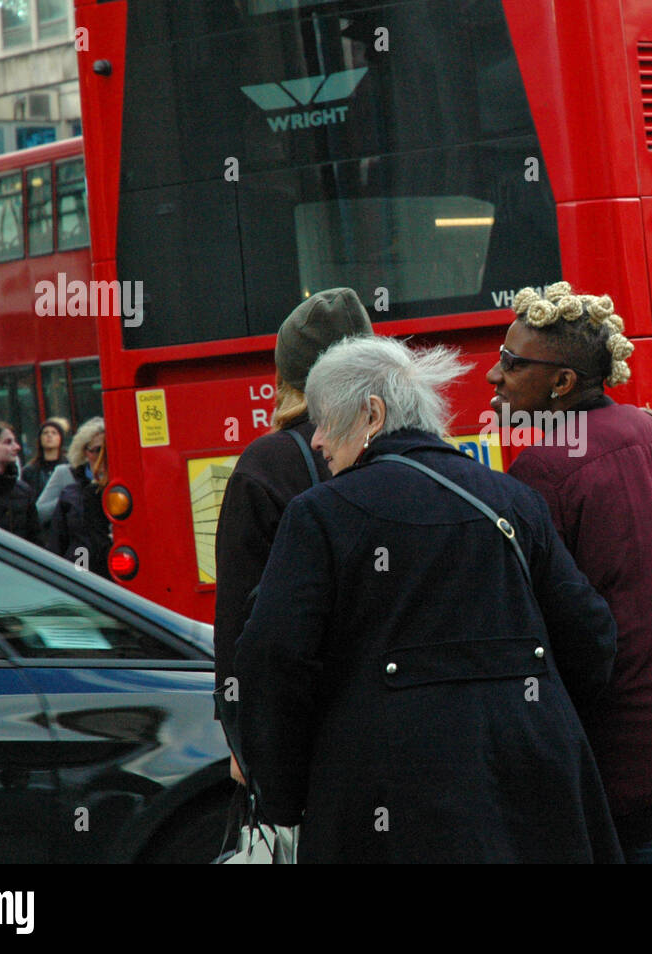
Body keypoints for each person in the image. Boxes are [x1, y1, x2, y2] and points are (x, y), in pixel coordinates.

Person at [235, 336, 621, 863]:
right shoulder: (513, 499)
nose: (319, 440)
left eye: (324, 419)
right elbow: (592, 634)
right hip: (534, 789)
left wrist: (282, 794)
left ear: (372, 414)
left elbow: (273, 659)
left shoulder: (319, 516)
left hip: (388, 802)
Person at [490, 281, 652, 864]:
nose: (494, 377)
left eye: (512, 363)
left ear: (562, 382)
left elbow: (546, 622)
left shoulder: (544, 469)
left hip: (634, 750)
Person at [214, 287, 372, 783]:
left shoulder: (267, 463)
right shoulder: (412, 443)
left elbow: (241, 618)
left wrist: (242, 736)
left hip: (320, 726)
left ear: (284, 377)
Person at [48, 418, 112, 579]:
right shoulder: (72, 493)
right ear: (85, 452)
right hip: (82, 570)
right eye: (97, 450)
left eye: (108, 449)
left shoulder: (123, 491)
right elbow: (58, 543)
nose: (103, 456)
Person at [21, 418, 71, 500]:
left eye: (54, 433)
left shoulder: (70, 467)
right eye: (45, 433)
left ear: (60, 438)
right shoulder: (29, 471)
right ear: (40, 439)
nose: (49, 435)